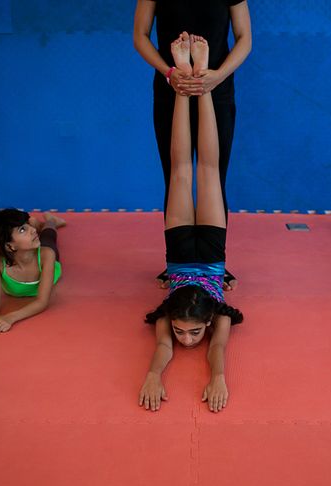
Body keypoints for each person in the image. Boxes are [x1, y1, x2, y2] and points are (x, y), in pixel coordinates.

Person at [139, 33, 243, 413]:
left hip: (180, 255)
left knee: (182, 168)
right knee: (211, 171)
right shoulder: (219, 318)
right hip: (214, 256)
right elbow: (217, 350)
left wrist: (153, 374)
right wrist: (217, 376)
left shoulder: (169, 315)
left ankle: (184, 78)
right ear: (211, 316)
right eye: (189, 331)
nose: (185, 340)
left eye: (188, 332)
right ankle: (201, 76)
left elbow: (162, 346)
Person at [133, 0, 252, 291]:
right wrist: (170, 72)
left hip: (217, 86)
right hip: (172, 87)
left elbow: (244, 38)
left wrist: (219, 75)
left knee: (214, 174)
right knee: (175, 174)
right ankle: (176, 259)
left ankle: (216, 263)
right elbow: (140, 36)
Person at [0, 209, 66, 340]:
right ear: (9, 246)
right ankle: (37, 222)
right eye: (22, 230)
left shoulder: (47, 255)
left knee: (48, 237)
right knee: (41, 236)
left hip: (46, 257)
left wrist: (10, 317)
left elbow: (42, 301)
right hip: (25, 250)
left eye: (28, 225)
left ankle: (51, 221)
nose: (32, 230)